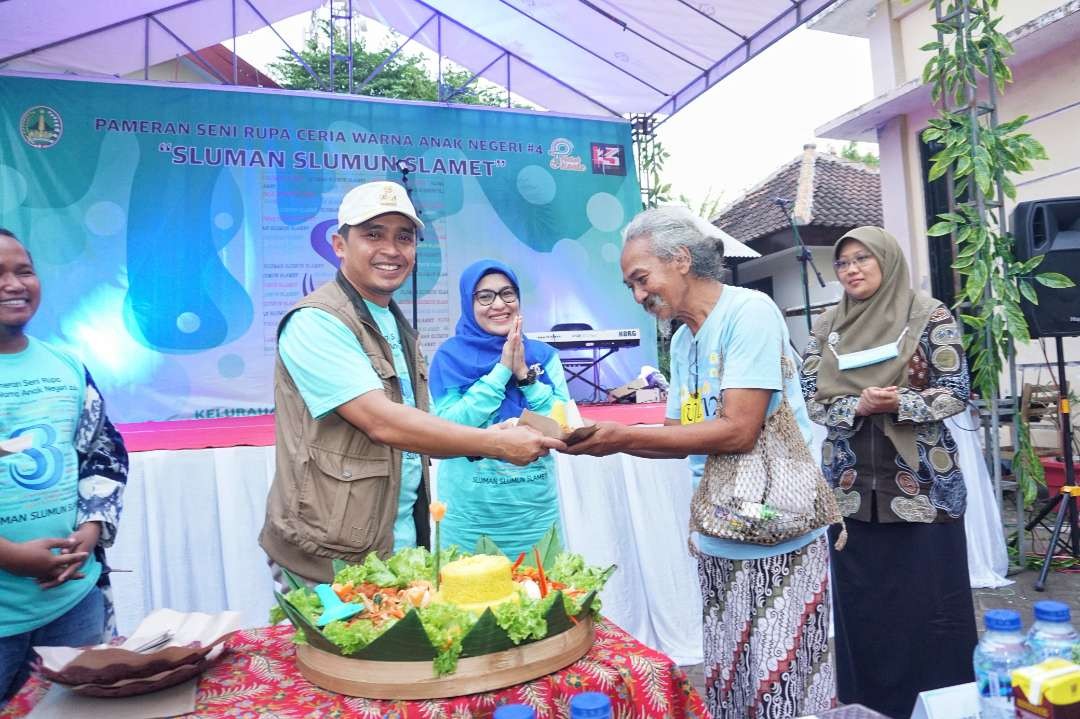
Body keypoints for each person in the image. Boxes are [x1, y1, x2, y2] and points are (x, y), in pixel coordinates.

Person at [564, 207, 835, 719]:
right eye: (630, 287)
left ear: (682, 259)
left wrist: (621, 436)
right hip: (719, 532)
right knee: (732, 684)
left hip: (780, 536)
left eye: (641, 279)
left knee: (784, 688)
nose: (640, 296)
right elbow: (679, 436)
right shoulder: (685, 339)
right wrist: (604, 440)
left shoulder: (748, 313)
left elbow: (738, 429)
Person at [259, 182, 563, 585]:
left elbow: (425, 426)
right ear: (339, 244)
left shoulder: (394, 324)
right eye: (373, 234)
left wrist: (500, 423)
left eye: (404, 237)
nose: (391, 249)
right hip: (329, 554)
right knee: (347, 648)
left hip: (394, 540)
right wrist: (495, 443)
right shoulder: (317, 321)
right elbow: (381, 421)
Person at [800, 226, 978, 718]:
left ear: (886, 260)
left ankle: (943, 708)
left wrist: (903, 403)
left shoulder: (928, 314)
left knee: (930, 608)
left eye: (862, 259)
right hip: (852, 493)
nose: (852, 269)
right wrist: (856, 404)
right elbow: (813, 399)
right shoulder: (828, 326)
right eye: (843, 263)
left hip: (923, 489)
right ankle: (870, 707)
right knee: (865, 611)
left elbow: (956, 389)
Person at [0, 229, 128, 704]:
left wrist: (91, 530)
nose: (13, 284)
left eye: (23, 270)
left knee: (78, 711)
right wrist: (11, 557)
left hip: (73, 602)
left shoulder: (66, 367)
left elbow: (103, 453)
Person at [429, 259, 571, 557]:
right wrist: (502, 370)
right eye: (485, 296)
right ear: (469, 303)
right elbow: (447, 428)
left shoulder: (543, 357)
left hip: (533, 516)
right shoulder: (449, 358)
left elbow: (563, 426)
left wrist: (525, 376)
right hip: (469, 519)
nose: (499, 304)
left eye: (508, 293)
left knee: (545, 597)